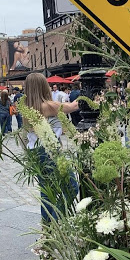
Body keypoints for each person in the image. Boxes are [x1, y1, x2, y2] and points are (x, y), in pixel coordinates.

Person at [24, 73, 80, 221]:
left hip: (34, 151)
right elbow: (73, 106)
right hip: (49, 149)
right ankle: (56, 220)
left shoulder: (27, 108)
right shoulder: (48, 106)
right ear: (43, 87)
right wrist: (87, 95)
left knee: (47, 192)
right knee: (72, 187)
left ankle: (47, 229)